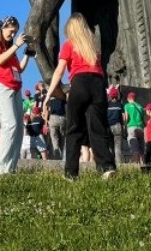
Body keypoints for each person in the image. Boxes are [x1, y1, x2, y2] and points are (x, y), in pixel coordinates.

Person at [43, 13, 116, 180]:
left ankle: (71, 173)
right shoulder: (92, 47)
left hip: (79, 83)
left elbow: (59, 71)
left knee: (74, 129)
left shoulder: (69, 45)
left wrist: (49, 95)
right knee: (98, 128)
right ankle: (106, 167)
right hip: (98, 84)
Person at [0, 15, 32, 174]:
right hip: (2, 86)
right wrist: (17, 45)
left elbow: (19, 69)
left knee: (18, 128)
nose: (12, 35)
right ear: (3, 27)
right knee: (10, 124)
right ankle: (1, 168)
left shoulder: (10, 48)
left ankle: (11, 167)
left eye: (15, 33)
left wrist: (27, 54)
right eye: (11, 31)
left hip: (15, 87)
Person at [123, 91, 145, 165]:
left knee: (134, 147)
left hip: (132, 127)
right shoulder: (140, 107)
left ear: (128, 98)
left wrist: (124, 126)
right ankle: (143, 164)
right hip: (141, 128)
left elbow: (126, 118)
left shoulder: (127, 106)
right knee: (141, 148)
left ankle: (135, 164)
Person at [46, 85, 67, 161]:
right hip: (63, 118)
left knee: (54, 140)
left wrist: (46, 121)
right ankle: (63, 158)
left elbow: (47, 109)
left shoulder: (50, 97)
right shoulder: (63, 97)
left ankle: (57, 158)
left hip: (53, 117)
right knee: (62, 139)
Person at [106, 88, 126, 166]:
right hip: (118, 126)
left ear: (110, 96)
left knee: (110, 146)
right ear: (116, 96)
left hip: (109, 126)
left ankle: (110, 164)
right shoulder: (120, 105)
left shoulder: (107, 104)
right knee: (118, 146)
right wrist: (124, 126)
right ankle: (118, 164)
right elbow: (124, 117)